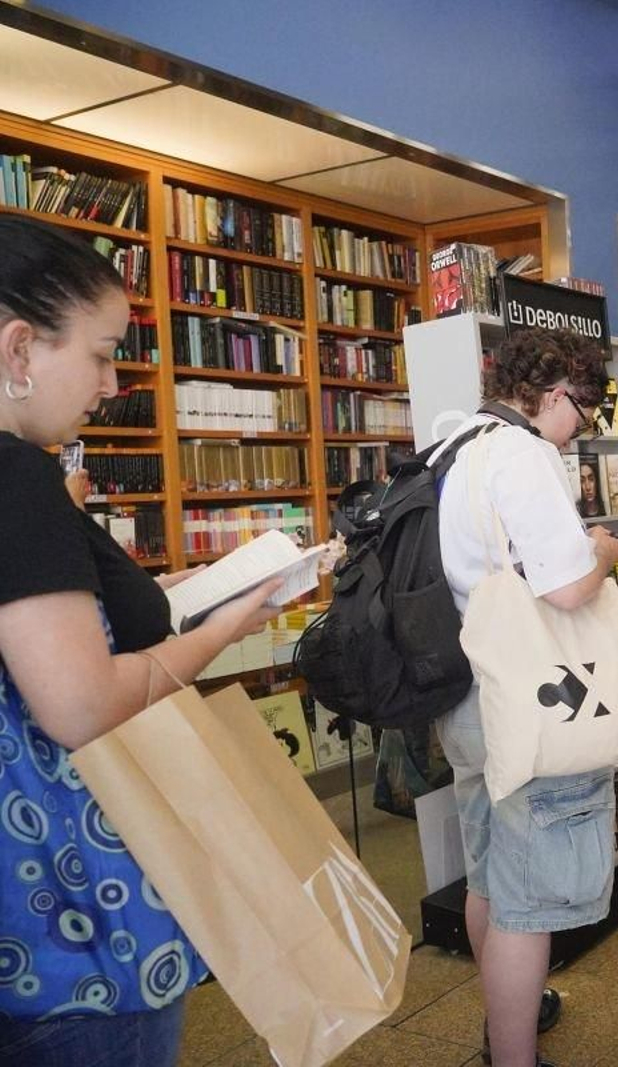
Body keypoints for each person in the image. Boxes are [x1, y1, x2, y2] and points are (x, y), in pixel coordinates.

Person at [0, 217, 283, 1066]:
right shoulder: (18, 477)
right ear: (20, 348)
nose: (112, 382)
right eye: (100, 353)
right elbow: (80, 704)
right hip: (72, 923)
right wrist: (226, 624)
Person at [433, 325, 618, 1067]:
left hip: (467, 695)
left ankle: (504, 1025)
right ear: (550, 393)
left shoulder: (457, 446)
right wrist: (603, 552)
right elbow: (568, 587)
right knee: (528, 901)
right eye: (582, 409)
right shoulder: (524, 454)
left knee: (488, 876)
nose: (579, 428)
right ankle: (512, 1056)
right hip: (528, 699)